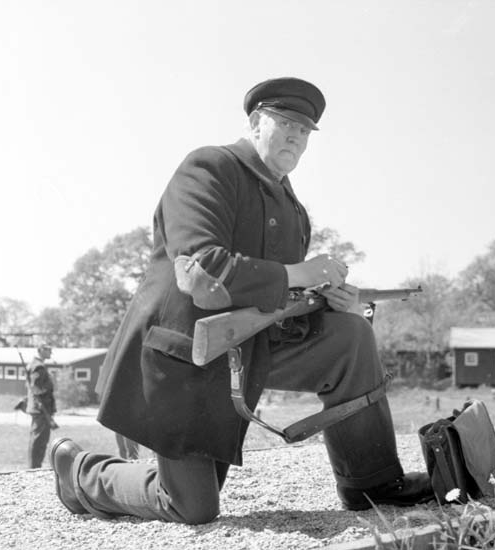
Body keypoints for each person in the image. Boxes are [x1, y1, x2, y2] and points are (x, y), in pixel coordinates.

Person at [49, 77, 434, 524]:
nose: (296, 137)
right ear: (255, 123)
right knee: (191, 507)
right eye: (285, 123)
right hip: (183, 358)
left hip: (248, 352)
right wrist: (301, 272)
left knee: (350, 335)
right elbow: (201, 268)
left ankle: (372, 482)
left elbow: (278, 298)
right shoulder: (209, 167)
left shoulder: (293, 209)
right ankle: (79, 472)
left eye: (304, 130)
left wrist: (329, 299)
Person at [26, 343, 57, 468]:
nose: (50, 352)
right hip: (41, 408)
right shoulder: (38, 366)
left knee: (39, 439)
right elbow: (35, 388)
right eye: (48, 350)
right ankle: (34, 468)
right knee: (39, 440)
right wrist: (49, 386)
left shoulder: (36, 364)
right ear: (41, 350)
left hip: (40, 408)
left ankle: (34, 466)